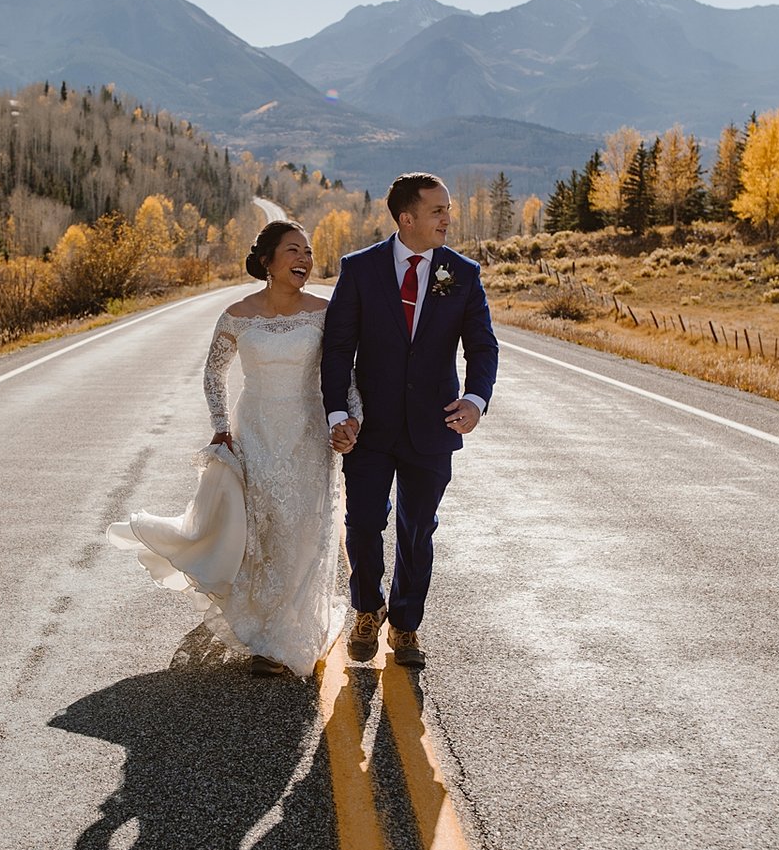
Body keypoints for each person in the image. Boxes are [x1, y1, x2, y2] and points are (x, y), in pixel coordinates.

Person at [108, 221, 353, 679]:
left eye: (309, 251)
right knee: (266, 530)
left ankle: (294, 629)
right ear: (268, 262)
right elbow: (212, 374)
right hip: (256, 430)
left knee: (306, 529)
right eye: (293, 251)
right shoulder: (237, 314)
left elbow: (346, 374)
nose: (305, 259)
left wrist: (348, 418)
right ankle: (266, 635)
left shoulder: (326, 312)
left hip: (308, 431)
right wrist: (222, 427)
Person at [320, 173, 498, 670]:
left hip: (433, 427)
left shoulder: (462, 273)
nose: (448, 218)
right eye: (438, 210)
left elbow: (482, 346)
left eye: (448, 209)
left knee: (418, 529)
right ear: (407, 218)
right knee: (362, 526)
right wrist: (338, 412)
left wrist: (475, 400)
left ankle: (406, 624)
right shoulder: (360, 269)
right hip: (369, 428)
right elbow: (337, 348)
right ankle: (365, 610)